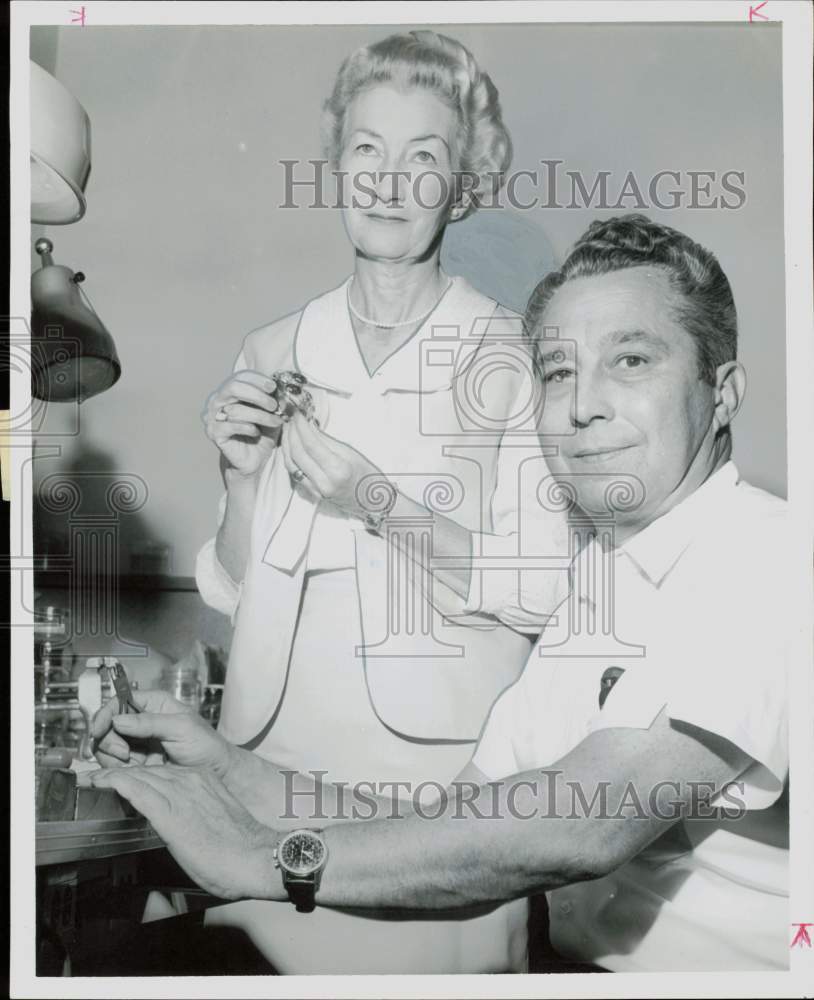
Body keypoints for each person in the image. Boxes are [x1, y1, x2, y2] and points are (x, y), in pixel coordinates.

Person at [95, 214, 791, 973]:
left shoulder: (769, 555)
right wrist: (226, 768)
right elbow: (457, 822)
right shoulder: (598, 585)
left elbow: (578, 827)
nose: (582, 405)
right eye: (558, 371)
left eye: (630, 360)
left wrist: (262, 858)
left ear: (721, 393)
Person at [192, 30, 568, 972]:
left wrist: (375, 499)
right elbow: (239, 589)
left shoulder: (511, 357)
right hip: (265, 754)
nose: (389, 182)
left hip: (429, 783)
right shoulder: (271, 346)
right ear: (335, 166)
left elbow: (539, 588)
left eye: (423, 157)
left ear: (463, 182)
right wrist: (240, 479)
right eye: (367, 150)